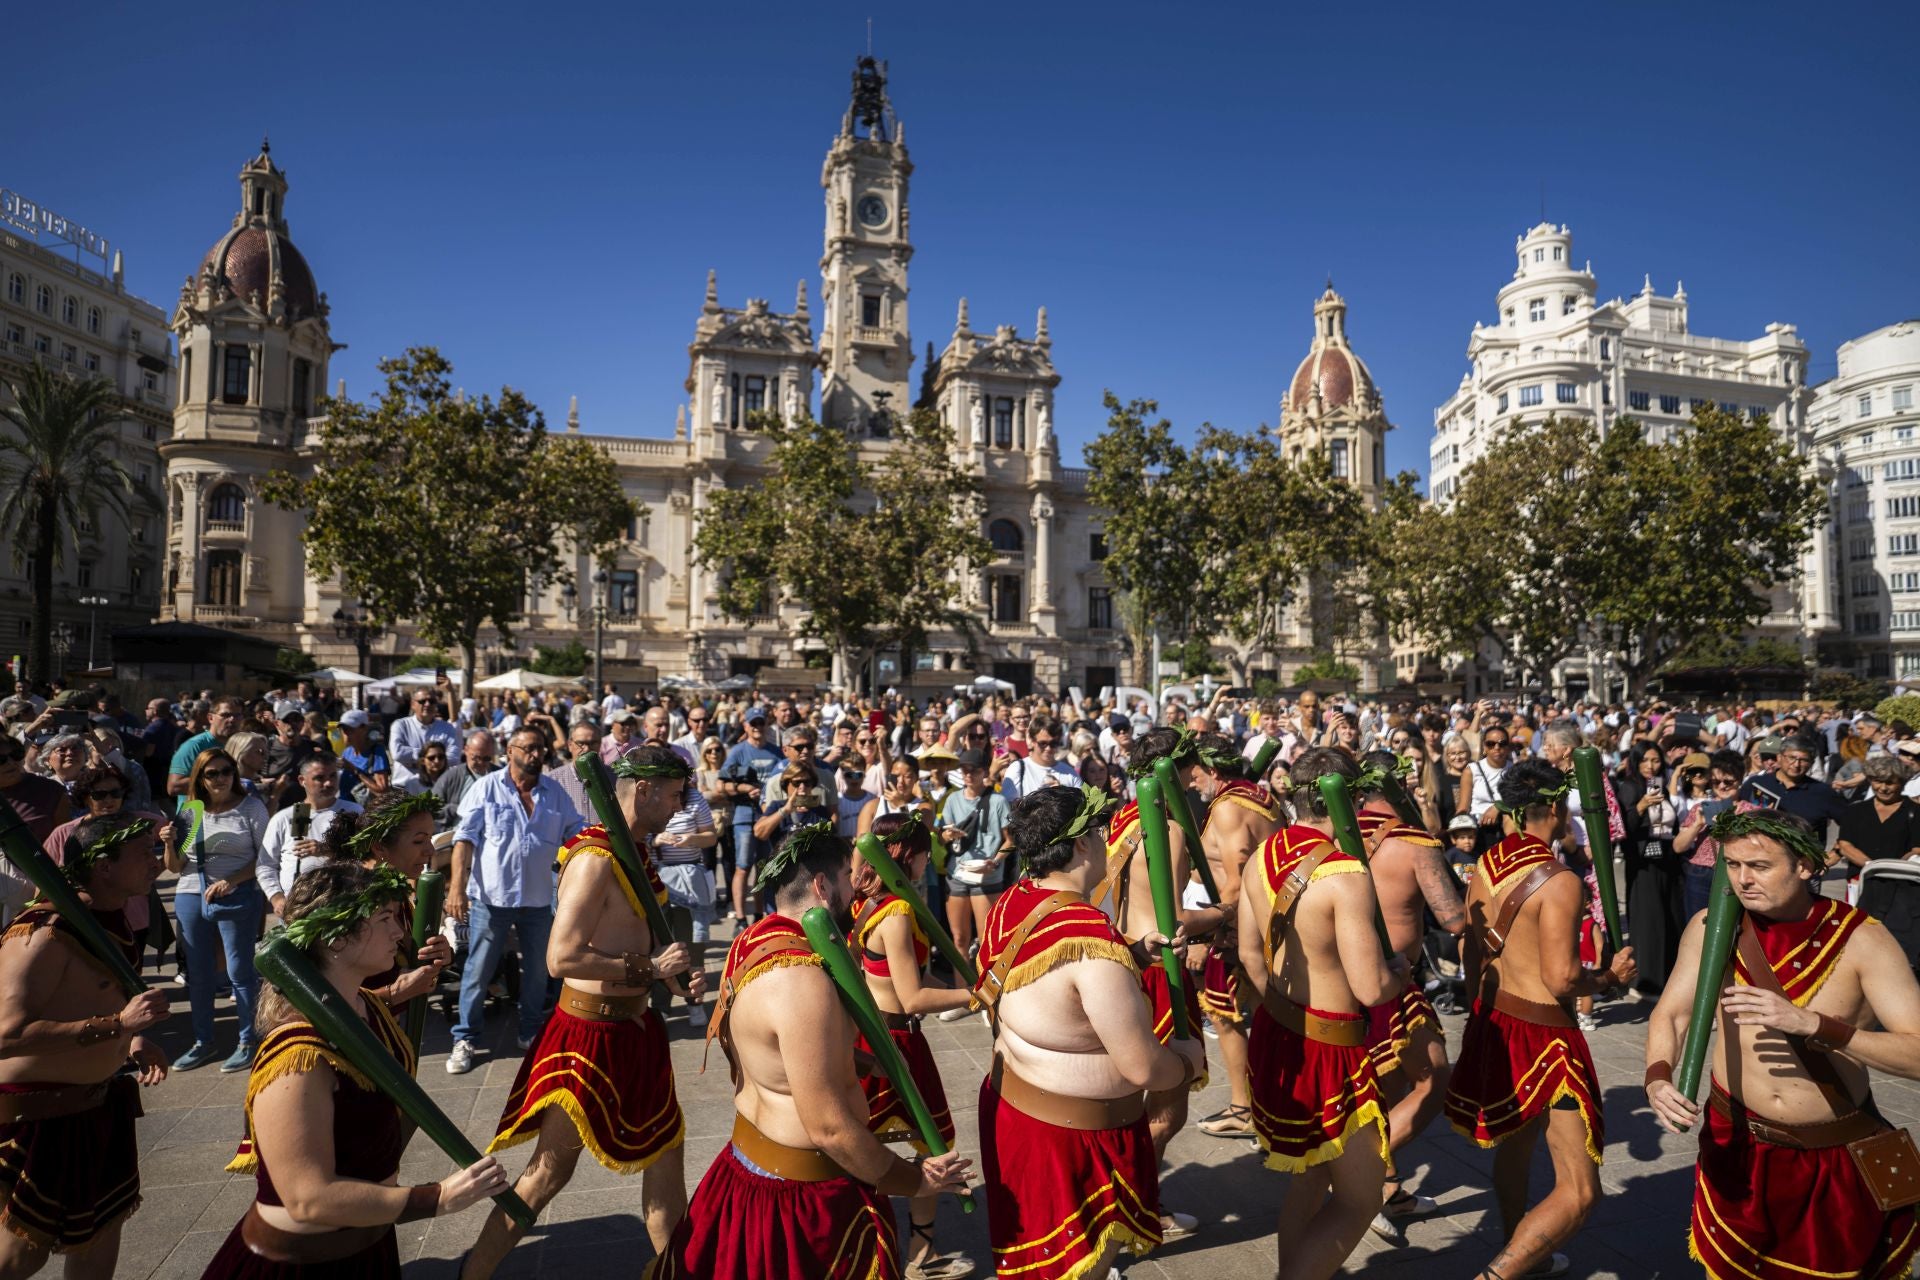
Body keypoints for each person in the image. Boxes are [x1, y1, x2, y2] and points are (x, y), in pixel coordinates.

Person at [647, 823, 970, 1279]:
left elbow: (769, 1051)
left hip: (753, 1166)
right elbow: (829, 1128)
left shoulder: (752, 940)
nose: (855, 887)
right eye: (847, 876)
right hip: (799, 1197)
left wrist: (860, 1061)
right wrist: (916, 1180)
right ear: (822, 885)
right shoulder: (802, 980)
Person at [1643, 809, 1920, 1280]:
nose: (1742, 880)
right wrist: (1657, 1077)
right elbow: (1672, 1013)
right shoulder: (1711, 927)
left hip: (1829, 1153)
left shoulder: (1863, 939)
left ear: (1805, 866)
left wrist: (1814, 1024)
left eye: (1760, 866)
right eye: (1733, 865)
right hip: (1734, 1142)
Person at [203, 862, 508, 1279]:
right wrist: (438, 1198)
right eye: (384, 919)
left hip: (368, 1246)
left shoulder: (365, 1006)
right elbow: (308, 1199)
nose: (398, 932)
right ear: (336, 938)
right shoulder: (298, 1059)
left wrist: (412, 982)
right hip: (298, 1266)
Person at [465, 748, 701, 1278]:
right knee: (547, 1174)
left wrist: (669, 974)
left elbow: (632, 942)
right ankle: (471, 1275)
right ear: (643, 790)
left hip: (637, 1029)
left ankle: (676, 1273)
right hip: (588, 1037)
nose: (679, 805)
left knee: (667, 1151)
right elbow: (561, 957)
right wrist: (648, 967)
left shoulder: (634, 853)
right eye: (673, 793)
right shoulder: (595, 857)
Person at [974, 784, 1201, 1280]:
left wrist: (1133, 953)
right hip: (1068, 1141)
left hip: (1015, 1107)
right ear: (1080, 843)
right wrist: (1187, 1062)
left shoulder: (1014, 901)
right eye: (1099, 832)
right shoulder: (1089, 938)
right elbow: (1144, 1068)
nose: (1106, 842)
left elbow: (1055, 988)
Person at [1444, 759, 1636, 1280]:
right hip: (1545, 1036)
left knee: (1516, 1147)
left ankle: (1524, 1252)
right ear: (1554, 807)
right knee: (1581, 1190)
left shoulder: (1488, 863)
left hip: (1495, 1017)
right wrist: (1610, 977)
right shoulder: (1560, 880)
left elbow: (1470, 950)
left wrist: (1477, 1015)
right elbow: (1563, 979)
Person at [1236, 748, 1404, 1280]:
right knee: (1362, 1199)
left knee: (1309, 1178)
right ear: (1350, 800)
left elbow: (1248, 955)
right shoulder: (1344, 872)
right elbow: (1372, 988)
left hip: (1277, 1030)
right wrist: (1401, 972)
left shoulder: (1262, 854)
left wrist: (1283, 1012)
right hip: (1330, 1050)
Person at [0, 814, 169, 1277]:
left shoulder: (111, 920)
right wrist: (118, 1025)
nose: (156, 862)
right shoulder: (45, 931)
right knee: (20, 1255)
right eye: (144, 853)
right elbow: (5, 1035)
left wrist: (134, 1039)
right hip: (35, 1115)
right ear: (104, 866)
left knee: (101, 1236)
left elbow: (97, 998)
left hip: (98, 1105)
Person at [1091, 727, 1212, 1239]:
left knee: (1123, 1100)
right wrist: (1227, 912)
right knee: (1167, 1105)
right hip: (1160, 968)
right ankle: (1134, 1207)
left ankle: (1126, 1203)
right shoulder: (1171, 829)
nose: (1196, 778)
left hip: (1122, 959)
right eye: (1190, 770)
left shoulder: (1120, 819)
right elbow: (1175, 915)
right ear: (1175, 773)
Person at [851, 813, 977, 1279]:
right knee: (929, 1146)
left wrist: (966, 988)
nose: (929, 861)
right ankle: (916, 1255)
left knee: (892, 1144)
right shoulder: (897, 912)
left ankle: (909, 1249)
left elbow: (905, 978)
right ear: (911, 855)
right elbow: (913, 998)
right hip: (895, 1044)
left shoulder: (870, 902)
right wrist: (979, 994)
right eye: (926, 853)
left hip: (874, 1035)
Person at [1350, 753, 1467, 1241]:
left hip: (1340, 978)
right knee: (1434, 1078)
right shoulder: (1414, 842)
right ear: (1401, 785)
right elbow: (1454, 919)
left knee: (1385, 1088)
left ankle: (1390, 1188)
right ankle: (1358, 1181)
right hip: (1390, 982)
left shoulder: (1332, 833)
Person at [445, 727, 587, 1075]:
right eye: (529, 748)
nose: (537, 755)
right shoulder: (487, 788)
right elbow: (464, 841)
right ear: (510, 751)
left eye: (541, 749)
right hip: (491, 900)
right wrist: (456, 889)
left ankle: (530, 1031)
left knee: (538, 972)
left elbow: (577, 834)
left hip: (537, 901)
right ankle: (465, 1037)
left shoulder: (554, 793)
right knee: (478, 970)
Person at [1179, 733, 1285, 1145]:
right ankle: (1270, 1107)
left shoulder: (1227, 808)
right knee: (1263, 1016)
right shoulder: (1261, 797)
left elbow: (1237, 883)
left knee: (1226, 1017)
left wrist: (1210, 936)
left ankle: (1245, 1109)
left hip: (1240, 931)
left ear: (1212, 770)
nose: (1191, 784)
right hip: (1259, 927)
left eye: (1194, 774)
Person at [169, 748, 272, 1073]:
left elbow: (266, 857)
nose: (220, 779)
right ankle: (203, 1041)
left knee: (239, 971)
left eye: (226, 771)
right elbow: (175, 866)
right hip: (190, 892)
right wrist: (169, 842)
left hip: (237, 893)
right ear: (200, 778)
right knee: (198, 975)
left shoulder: (251, 807)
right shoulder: (191, 810)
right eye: (211, 773)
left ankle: (248, 1041)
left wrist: (232, 880)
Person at [1616, 739, 1685, 995]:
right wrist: (1642, 805)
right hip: (1643, 863)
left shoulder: (1661, 786)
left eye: (1655, 760)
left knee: (1669, 919)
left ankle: (1667, 977)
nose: (1650, 765)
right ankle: (1644, 982)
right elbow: (1623, 827)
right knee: (1648, 922)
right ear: (1635, 762)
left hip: (1666, 859)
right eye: (1645, 760)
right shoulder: (1629, 787)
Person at [258, 757, 362, 916]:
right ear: (302, 780)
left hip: (342, 906)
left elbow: (369, 856)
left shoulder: (354, 812)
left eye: (333, 776)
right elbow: (265, 865)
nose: (328, 783)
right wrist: (276, 898)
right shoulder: (289, 816)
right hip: (297, 910)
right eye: (319, 778)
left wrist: (327, 850)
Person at [937, 749, 1011, 967]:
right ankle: (964, 985)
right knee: (959, 939)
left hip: (988, 875)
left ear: (984, 772)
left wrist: (995, 862)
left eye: (974, 770)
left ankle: (985, 986)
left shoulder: (998, 801)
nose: (968, 775)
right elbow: (941, 837)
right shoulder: (953, 799)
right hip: (957, 873)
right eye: (964, 770)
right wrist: (947, 835)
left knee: (987, 940)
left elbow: (1011, 840)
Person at [719, 712, 783, 926]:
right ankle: (740, 918)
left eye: (760, 722)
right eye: (753, 723)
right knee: (743, 866)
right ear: (745, 726)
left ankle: (758, 916)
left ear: (766, 725)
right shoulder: (738, 751)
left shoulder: (775, 752)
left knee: (764, 869)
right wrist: (744, 788)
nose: (757, 727)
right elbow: (722, 784)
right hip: (745, 815)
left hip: (769, 817)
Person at [1831, 754, 1920, 883]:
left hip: (1901, 882)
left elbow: (1917, 850)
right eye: (1878, 781)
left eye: (1890, 783)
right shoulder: (1855, 810)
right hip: (1860, 880)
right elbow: (1845, 845)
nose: (1883, 788)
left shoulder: (1915, 811)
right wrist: (1872, 867)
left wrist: (1893, 870)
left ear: (1902, 782)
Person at [389, 689, 460, 790]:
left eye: (431, 701)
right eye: (422, 701)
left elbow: (454, 757)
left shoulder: (447, 728)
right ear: (413, 704)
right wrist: (432, 756)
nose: (427, 704)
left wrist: (415, 759)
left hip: (436, 788)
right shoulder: (401, 725)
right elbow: (397, 753)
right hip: (403, 787)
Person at [167, 697, 239, 796]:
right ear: (210, 718)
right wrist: (220, 778)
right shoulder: (193, 745)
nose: (232, 719)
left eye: (238, 715)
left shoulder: (241, 744)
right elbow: (174, 787)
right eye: (225, 715)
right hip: (196, 805)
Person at [433, 730, 499, 829]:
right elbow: (432, 808)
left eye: (486, 759)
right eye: (476, 757)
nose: (481, 763)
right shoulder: (451, 776)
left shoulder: (500, 777)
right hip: (456, 833)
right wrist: (456, 809)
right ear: (466, 750)